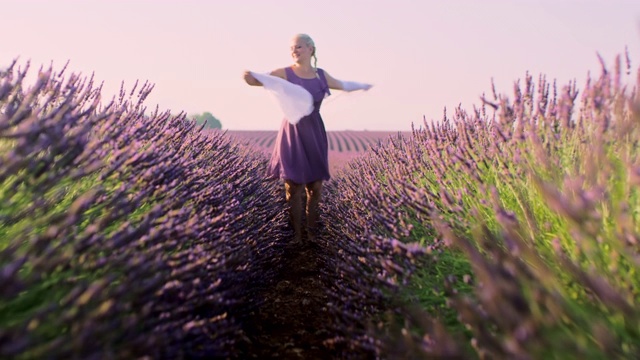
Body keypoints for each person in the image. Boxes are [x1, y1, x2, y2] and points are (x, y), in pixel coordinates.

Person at [243, 33, 371, 243]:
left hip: (314, 130)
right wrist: (248, 76)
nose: (294, 50)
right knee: (293, 186)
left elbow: (343, 84)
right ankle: (296, 235)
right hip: (292, 131)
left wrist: (364, 85)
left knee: (316, 186)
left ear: (311, 49)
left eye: (299, 47)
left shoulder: (321, 75)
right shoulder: (283, 73)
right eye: (292, 47)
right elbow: (259, 80)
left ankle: (311, 232)